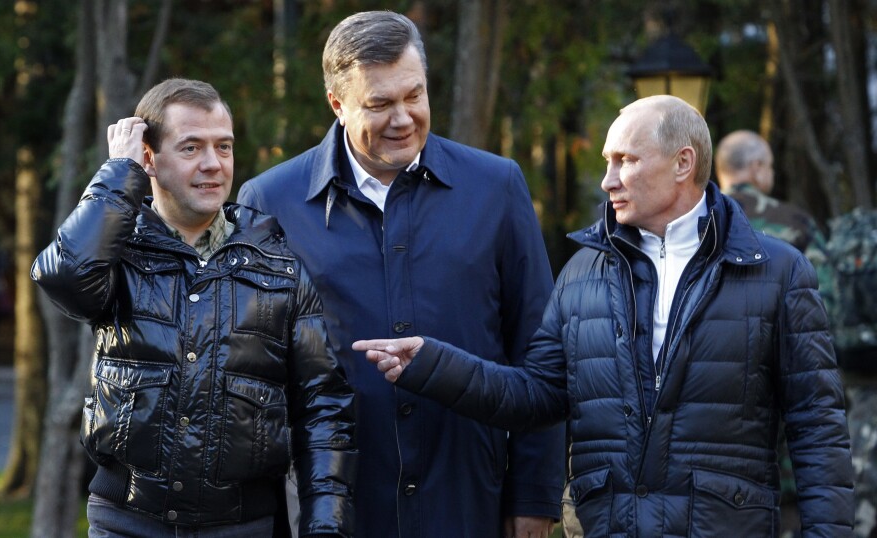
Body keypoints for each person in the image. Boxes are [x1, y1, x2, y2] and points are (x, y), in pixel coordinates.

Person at [354, 95, 856, 536]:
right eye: (606, 161)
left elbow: (818, 427)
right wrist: (433, 364)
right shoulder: (581, 274)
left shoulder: (779, 271)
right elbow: (536, 397)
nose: (607, 179)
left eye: (626, 160)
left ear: (684, 163)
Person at [237, 10, 565, 538]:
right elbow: (252, 374)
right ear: (337, 105)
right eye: (380, 103)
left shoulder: (497, 186)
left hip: (468, 498)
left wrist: (534, 495)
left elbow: (539, 349)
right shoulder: (268, 202)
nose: (403, 118)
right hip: (334, 508)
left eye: (414, 95)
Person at [31, 78, 356, 537]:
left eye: (223, 147)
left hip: (245, 527)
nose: (213, 164)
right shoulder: (119, 255)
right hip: (126, 522)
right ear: (149, 159)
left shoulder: (280, 267)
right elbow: (64, 275)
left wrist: (327, 525)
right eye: (191, 148)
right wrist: (120, 171)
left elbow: (322, 406)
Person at [715, 129, 821, 254]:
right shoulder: (796, 222)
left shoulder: (695, 219)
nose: (772, 173)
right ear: (757, 167)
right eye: (770, 166)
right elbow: (820, 272)